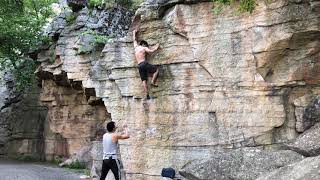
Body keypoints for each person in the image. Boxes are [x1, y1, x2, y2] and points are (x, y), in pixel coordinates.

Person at [133, 29, 160, 99]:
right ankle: (153, 82)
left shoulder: (136, 47)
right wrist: (156, 47)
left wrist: (134, 32)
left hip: (139, 66)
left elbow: (134, 40)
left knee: (144, 80)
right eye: (146, 45)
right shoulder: (144, 48)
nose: (147, 46)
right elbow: (151, 51)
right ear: (144, 44)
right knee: (156, 70)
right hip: (144, 63)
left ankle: (147, 94)